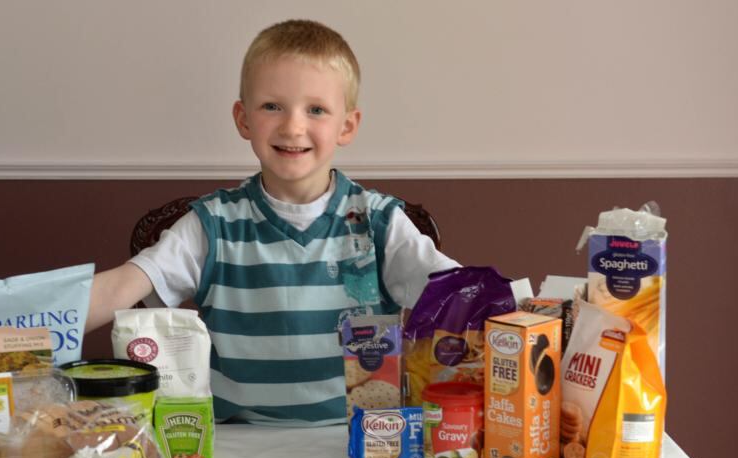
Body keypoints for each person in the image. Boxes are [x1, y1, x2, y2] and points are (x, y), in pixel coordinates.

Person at [86, 19, 459, 425]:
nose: (292, 126)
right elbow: (123, 285)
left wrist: (524, 314)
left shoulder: (379, 222)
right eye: (272, 106)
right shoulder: (213, 223)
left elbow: (463, 297)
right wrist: (26, 326)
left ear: (346, 125)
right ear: (243, 119)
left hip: (360, 442)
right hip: (238, 443)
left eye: (316, 109)